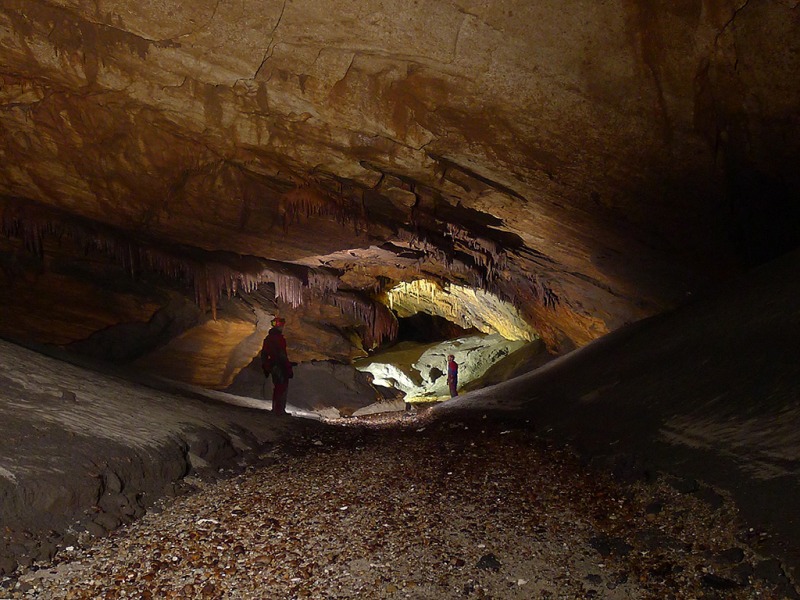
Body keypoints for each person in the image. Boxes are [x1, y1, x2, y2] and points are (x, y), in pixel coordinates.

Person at [261, 316, 294, 415]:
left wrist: (266, 367)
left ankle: (276, 409)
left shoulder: (268, 338)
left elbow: (264, 354)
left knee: (277, 387)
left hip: (272, 365)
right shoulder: (279, 338)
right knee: (282, 387)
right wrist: (288, 368)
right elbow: (282, 354)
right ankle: (279, 410)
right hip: (280, 365)